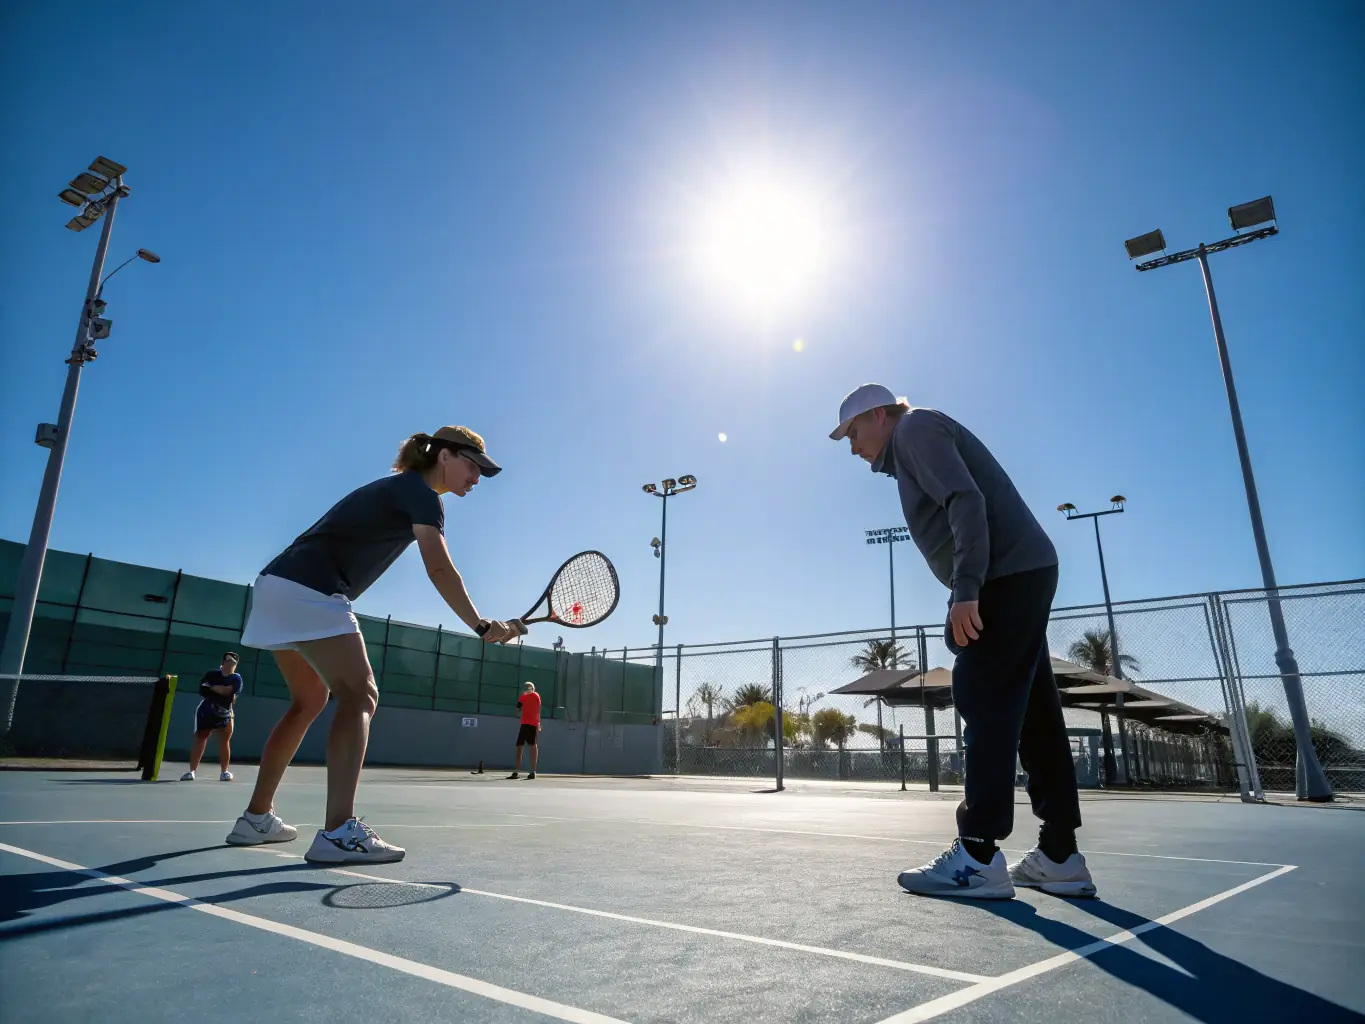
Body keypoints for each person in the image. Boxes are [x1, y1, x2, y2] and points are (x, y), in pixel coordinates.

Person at [830, 384, 1096, 899]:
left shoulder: (914, 430)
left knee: (985, 697)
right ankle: (1060, 855)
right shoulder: (913, 439)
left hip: (1001, 576)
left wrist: (967, 589)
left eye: (854, 432)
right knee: (1036, 713)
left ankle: (976, 855)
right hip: (1022, 570)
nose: (852, 445)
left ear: (880, 416)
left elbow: (964, 498)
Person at [228, 426, 523, 863]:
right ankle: (338, 832)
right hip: (312, 589)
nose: (476, 477)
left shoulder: (399, 488)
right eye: (472, 465)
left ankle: (256, 818)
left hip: (276, 585)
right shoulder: (422, 494)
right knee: (361, 695)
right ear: (444, 456)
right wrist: (481, 625)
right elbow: (439, 568)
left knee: (308, 701)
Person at [181, 652, 243, 781]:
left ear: (235, 665)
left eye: (233, 662)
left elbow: (228, 691)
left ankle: (224, 772)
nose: (230, 663)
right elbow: (203, 689)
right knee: (200, 738)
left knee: (224, 741)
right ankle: (191, 771)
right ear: (222, 662)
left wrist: (213, 687)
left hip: (226, 714)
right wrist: (219, 689)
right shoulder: (211, 674)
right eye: (228, 660)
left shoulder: (237, 678)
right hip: (207, 712)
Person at [507, 681, 541, 780]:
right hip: (532, 724)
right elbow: (537, 711)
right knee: (531, 746)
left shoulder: (525, 696)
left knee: (521, 746)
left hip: (527, 723)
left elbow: (517, 708)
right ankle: (532, 771)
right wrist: (538, 722)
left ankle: (518, 771)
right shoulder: (536, 696)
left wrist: (522, 710)